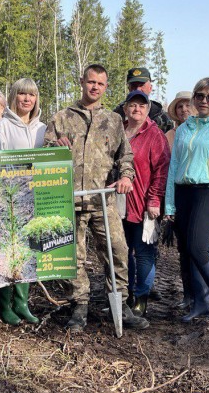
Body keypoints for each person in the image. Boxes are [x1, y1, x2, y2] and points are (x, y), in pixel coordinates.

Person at [44, 64, 149, 333]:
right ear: (82, 82)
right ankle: (79, 306)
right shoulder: (62, 118)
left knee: (118, 251)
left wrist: (126, 177)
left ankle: (120, 305)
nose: (95, 87)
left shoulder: (113, 121)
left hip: (102, 200)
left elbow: (125, 157)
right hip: (69, 200)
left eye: (100, 84)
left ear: (106, 87)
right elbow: (44, 154)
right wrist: (54, 148)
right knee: (73, 256)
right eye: (91, 82)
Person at [164, 77, 209, 322]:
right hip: (183, 192)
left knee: (198, 246)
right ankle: (200, 303)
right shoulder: (185, 128)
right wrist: (170, 203)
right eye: (200, 96)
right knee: (186, 249)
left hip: (208, 191)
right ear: (194, 98)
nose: (204, 101)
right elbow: (174, 167)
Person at [0, 78, 45, 325]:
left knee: (28, 252)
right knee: (7, 252)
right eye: (22, 94)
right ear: (14, 97)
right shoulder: (2, 126)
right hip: (8, 198)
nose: (27, 99)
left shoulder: (42, 128)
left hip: (34, 198)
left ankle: (22, 303)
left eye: (31, 95)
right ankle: (5, 303)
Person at [121, 90, 170, 318]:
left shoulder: (154, 135)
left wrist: (154, 199)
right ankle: (126, 294)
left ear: (148, 110)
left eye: (142, 106)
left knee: (143, 253)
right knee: (122, 252)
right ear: (125, 108)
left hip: (143, 204)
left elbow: (161, 170)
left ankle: (142, 297)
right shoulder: (118, 131)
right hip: (118, 204)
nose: (136, 109)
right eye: (132, 105)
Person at [164, 90, 194, 309]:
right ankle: (188, 295)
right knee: (183, 249)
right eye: (180, 106)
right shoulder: (169, 137)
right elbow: (166, 170)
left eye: (188, 105)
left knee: (199, 248)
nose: (184, 110)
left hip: (198, 196)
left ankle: (201, 293)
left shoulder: (203, 132)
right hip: (176, 196)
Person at [113, 67, 174, 133]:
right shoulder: (117, 114)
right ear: (128, 88)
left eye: (142, 85)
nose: (138, 89)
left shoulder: (162, 118)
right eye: (134, 86)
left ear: (150, 88)